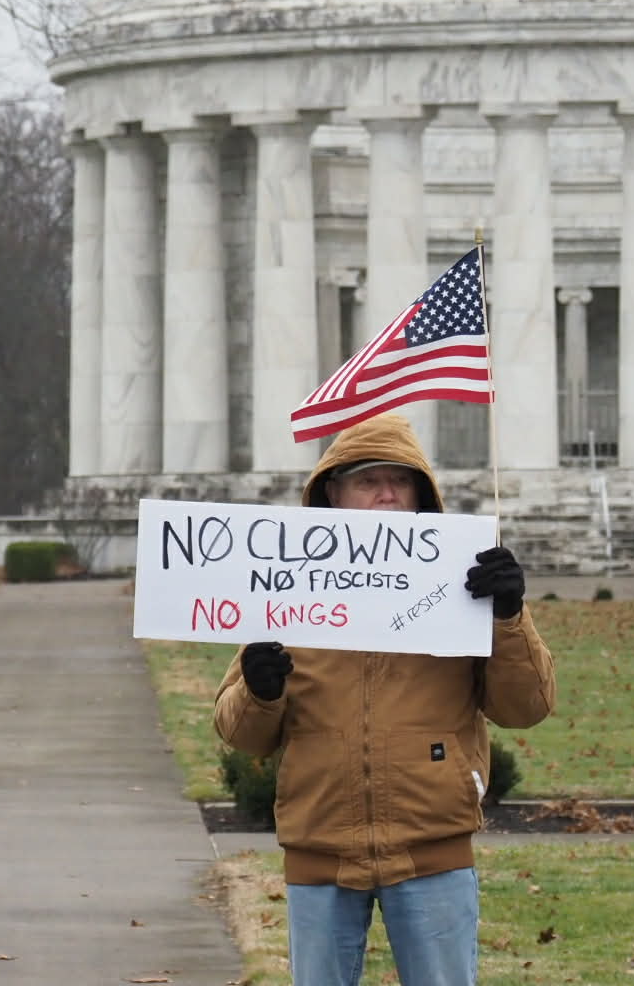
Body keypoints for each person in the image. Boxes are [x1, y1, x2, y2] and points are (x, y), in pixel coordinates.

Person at [213, 411, 556, 986]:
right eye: (368, 481)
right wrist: (261, 689)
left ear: (422, 492)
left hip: (431, 844)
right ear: (333, 493)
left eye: (401, 480)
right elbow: (238, 732)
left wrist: (507, 616)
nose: (386, 494)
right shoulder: (291, 583)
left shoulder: (465, 580)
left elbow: (526, 708)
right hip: (320, 844)